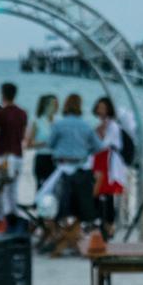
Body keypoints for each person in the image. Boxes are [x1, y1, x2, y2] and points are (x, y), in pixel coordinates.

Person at [47, 94, 99, 233]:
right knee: (79, 205)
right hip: (80, 168)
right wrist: (86, 152)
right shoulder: (86, 125)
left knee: (59, 202)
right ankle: (72, 233)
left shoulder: (59, 124)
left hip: (62, 167)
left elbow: (50, 144)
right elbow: (98, 146)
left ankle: (59, 231)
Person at [0, 83, 27, 222]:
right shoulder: (22, 113)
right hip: (18, 156)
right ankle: (12, 217)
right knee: (12, 190)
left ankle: (0, 217)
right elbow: (23, 136)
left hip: (2, 157)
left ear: (2, 94)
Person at [90, 96, 128, 236]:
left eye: (103, 107)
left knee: (106, 194)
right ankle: (103, 223)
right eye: (99, 107)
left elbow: (104, 143)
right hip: (100, 160)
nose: (100, 110)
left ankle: (107, 224)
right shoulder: (103, 124)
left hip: (107, 161)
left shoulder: (112, 125)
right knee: (100, 193)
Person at [28, 93, 60, 190]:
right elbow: (30, 143)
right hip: (42, 157)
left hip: (56, 158)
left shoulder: (59, 121)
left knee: (55, 187)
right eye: (54, 104)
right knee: (41, 186)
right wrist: (45, 143)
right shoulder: (37, 121)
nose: (57, 106)